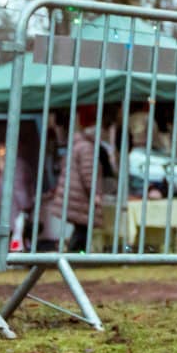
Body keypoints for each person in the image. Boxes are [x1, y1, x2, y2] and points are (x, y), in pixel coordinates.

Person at [50, 105, 120, 252]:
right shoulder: (87, 148)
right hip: (81, 196)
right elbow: (89, 174)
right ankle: (74, 256)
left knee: (82, 228)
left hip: (75, 193)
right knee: (83, 228)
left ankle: (75, 255)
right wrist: (96, 194)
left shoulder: (78, 145)